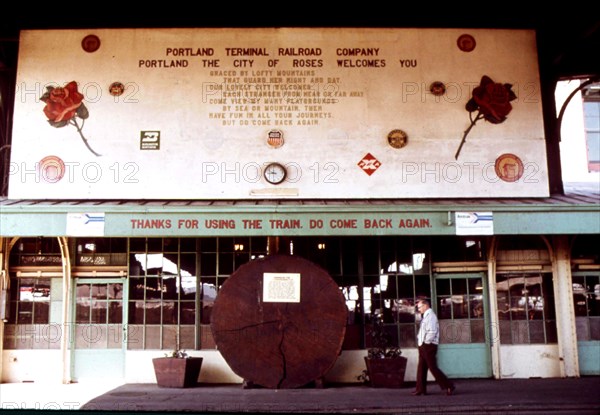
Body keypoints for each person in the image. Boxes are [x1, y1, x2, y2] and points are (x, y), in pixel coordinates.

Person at [412, 299, 456, 396]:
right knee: (421, 368)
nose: (419, 309)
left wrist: (426, 342)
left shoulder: (431, 316)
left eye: (419, 307)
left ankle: (449, 385)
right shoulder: (427, 316)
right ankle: (420, 389)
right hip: (424, 345)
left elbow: (432, 331)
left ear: (425, 305)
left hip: (428, 346)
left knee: (432, 368)